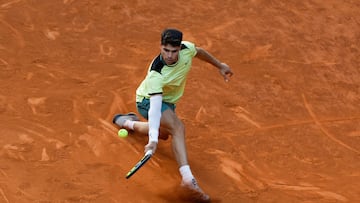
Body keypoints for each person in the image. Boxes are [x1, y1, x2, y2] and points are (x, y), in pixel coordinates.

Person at [113, 28, 233, 201]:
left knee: (165, 133)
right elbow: (154, 109)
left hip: (168, 102)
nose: (169, 55)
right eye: (165, 50)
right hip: (147, 101)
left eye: (173, 51)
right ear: (161, 47)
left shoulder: (187, 49)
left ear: (180, 48)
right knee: (177, 127)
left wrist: (220, 65)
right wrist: (152, 141)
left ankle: (126, 122)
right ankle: (187, 179)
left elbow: (199, 52)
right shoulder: (156, 73)